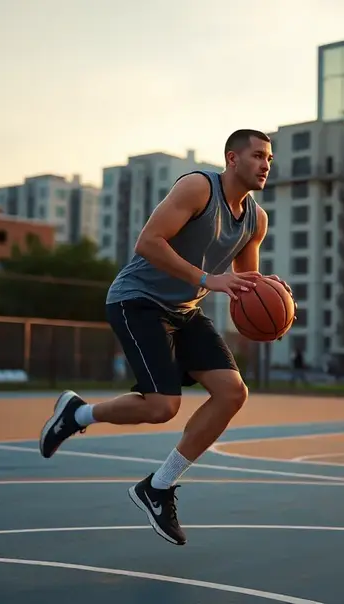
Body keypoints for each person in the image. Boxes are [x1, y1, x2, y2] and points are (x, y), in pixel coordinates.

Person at [37, 129, 289, 546]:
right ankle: (77, 416)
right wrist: (209, 278)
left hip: (185, 309)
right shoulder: (196, 188)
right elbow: (148, 243)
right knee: (161, 407)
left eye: (269, 159)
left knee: (232, 392)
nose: (266, 164)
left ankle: (158, 485)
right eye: (258, 156)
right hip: (137, 300)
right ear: (232, 159)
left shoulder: (255, 220)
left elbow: (244, 282)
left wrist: (272, 296)